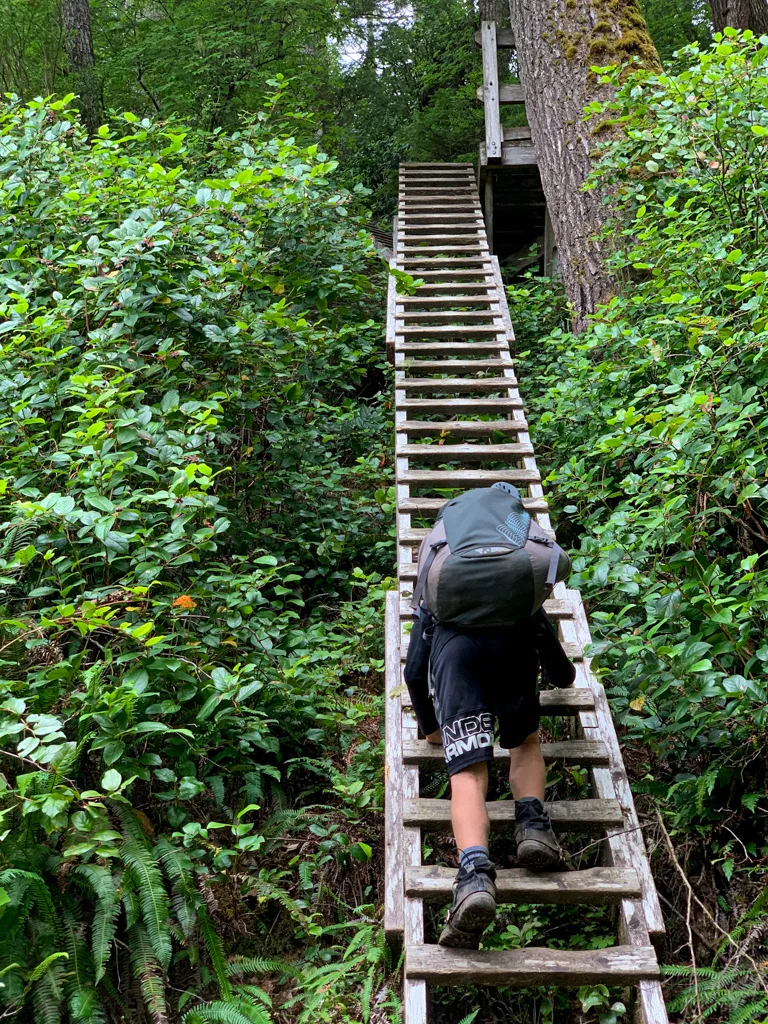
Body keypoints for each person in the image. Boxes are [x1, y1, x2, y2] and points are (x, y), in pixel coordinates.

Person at [404, 603, 573, 949]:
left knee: (467, 773)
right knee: (524, 742)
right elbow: (543, 633)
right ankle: (532, 827)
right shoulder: (512, 567)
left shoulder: (439, 569)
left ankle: (475, 876)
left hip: (456, 655)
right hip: (514, 648)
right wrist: (561, 673)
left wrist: (430, 726)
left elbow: (414, 671)